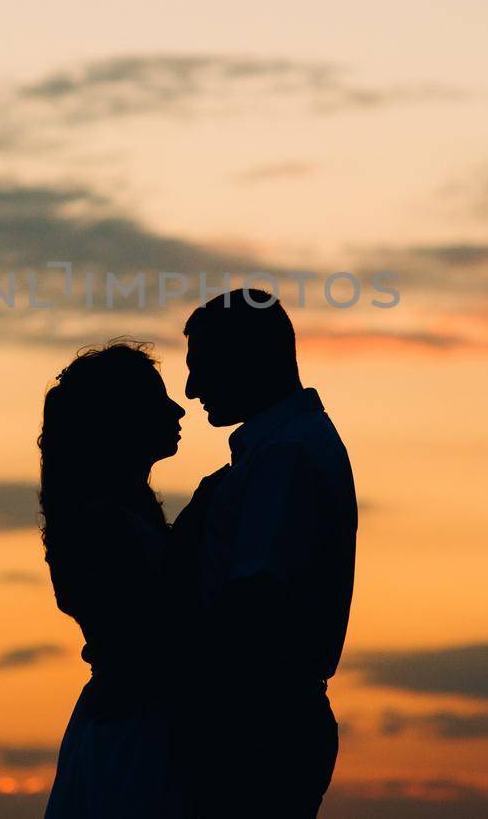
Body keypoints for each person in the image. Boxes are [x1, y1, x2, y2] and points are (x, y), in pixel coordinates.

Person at [169, 289, 357, 818]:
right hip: (264, 718)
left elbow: (256, 600)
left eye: (202, 367)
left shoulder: (285, 456)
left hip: (255, 724)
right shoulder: (287, 447)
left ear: (247, 360)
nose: (191, 388)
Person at [40, 340, 190, 819]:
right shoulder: (104, 527)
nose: (177, 409)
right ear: (121, 420)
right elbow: (154, 635)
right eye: (156, 400)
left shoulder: (113, 517)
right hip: (134, 728)